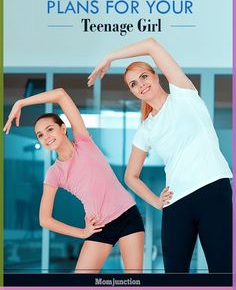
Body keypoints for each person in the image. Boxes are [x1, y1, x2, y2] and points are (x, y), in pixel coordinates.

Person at [88, 37, 233, 273]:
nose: (141, 84)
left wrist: (110, 57)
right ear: (133, 92)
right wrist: (156, 201)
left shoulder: (184, 94)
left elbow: (151, 45)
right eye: (133, 84)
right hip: (176, 204)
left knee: (222, 271)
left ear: (155, 75)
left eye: (143, 76)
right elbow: (130, 176)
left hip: (212, 191)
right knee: (174, 276)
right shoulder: (146, 129)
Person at [4, 88, 171, 273]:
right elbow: (45, 219)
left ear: (62, 128)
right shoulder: (54, 173)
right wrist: (82, 233)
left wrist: (21, 103)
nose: (46, 137)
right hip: (99, 227)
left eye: (49, 129)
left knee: (133, 281)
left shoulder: (83, 141)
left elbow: (60, 94)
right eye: (40, 135)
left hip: (128, 216)